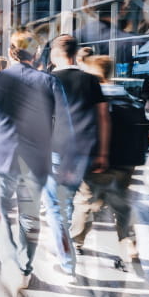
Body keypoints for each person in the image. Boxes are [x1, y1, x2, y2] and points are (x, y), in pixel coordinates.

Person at [0, 29, 76, 296]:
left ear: (10, 52)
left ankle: (10, 260)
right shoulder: (49, 82)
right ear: (35, 53)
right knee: (29, 218)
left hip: (0, 159)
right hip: (36, 162)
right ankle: (24, 268)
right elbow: (65, 128)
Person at [40, 34, 109, 280]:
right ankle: (62, 246)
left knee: (55, 209)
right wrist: (102, 152)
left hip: (55, 150)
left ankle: (67, 261)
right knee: (66, 204)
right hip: (82, 151)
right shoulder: (90, 81)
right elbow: (103, 117)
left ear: (56, 53)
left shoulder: (47, 80)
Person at [71, 55, 145, 271]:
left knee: (85, 202)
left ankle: (76, 241)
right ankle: (128, 242)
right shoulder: (127, 96)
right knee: (121, 205)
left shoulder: (94, 98)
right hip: (126, 162)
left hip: (99, 160)